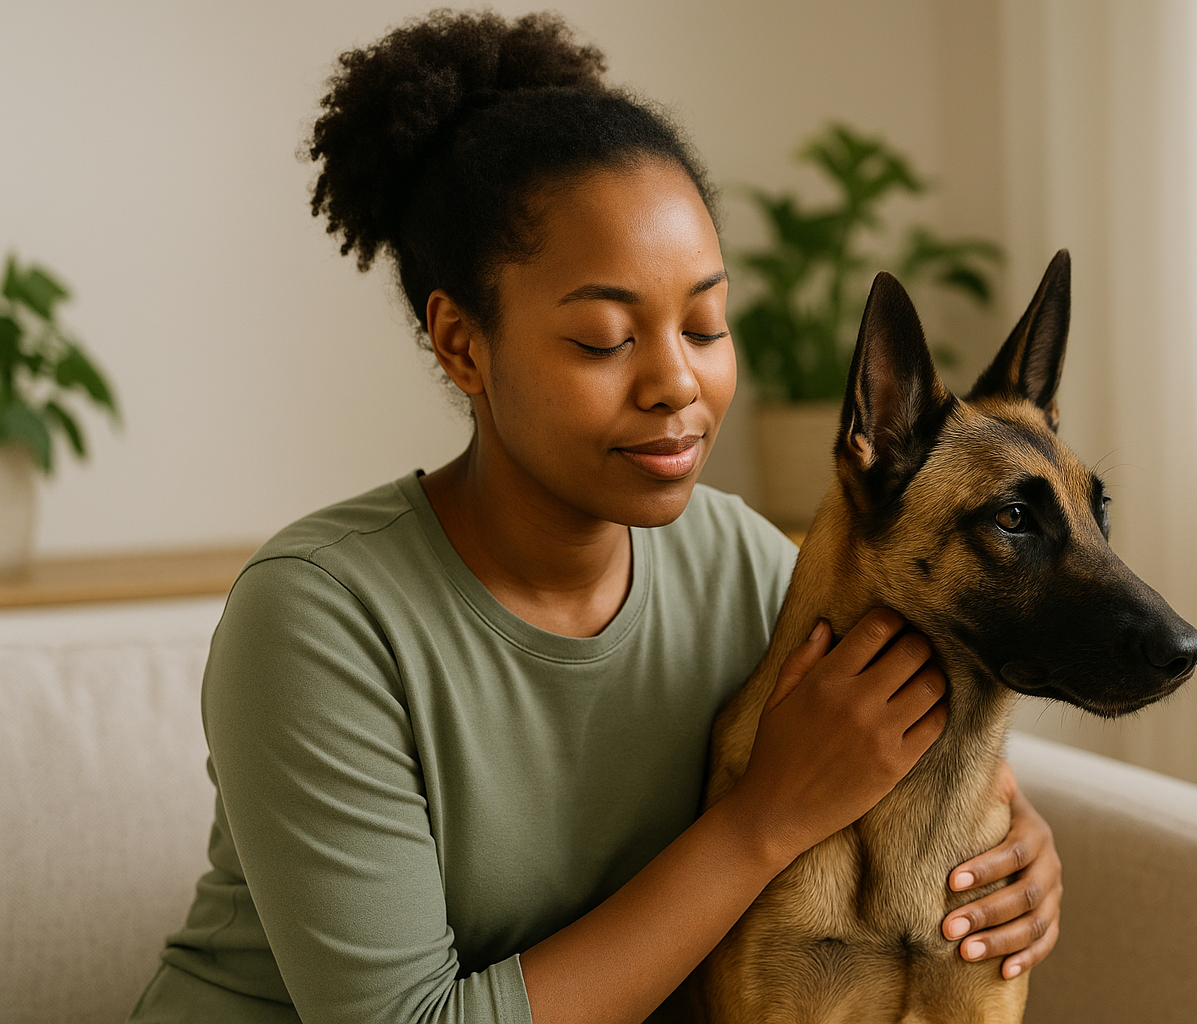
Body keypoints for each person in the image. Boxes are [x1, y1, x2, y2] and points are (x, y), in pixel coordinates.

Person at [128, 11, 1062, 1024]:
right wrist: (763, 819)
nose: (678, 383)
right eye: (605, 339)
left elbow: (924, 783)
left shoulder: (755, 569)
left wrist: (1015, 858)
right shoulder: (318, 620)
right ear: (461, 343)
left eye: (706, 322)